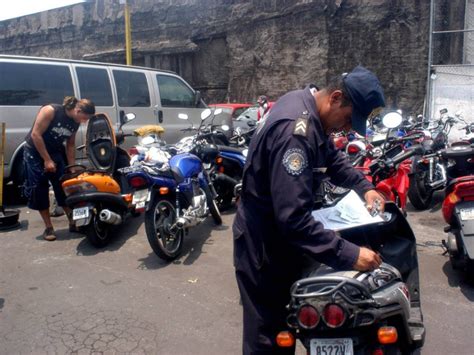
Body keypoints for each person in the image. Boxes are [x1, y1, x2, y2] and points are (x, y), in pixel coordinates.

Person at [233, 66, 386, 354]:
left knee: (285, 328)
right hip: (264, 251)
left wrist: (364, 187)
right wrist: (351, 255)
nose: (348, 129)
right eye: (349, 120)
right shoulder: (296, 133)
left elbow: (331, 156)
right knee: (269, 339)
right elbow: (293, 220)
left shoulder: (307, 107)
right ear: (336, 98)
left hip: (278, 242)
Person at [23, 96, 95, 241]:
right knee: (39, 188)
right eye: (84, 118)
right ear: (77, 110)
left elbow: (70, 145)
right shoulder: (51, 111)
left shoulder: (75, 122)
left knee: (64, 186)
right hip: (35, 153)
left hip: (55, 152)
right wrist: (47, 160)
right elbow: (36, 135)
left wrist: (71, 168)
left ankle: (73, 222)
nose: (84, 122)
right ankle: (48, 227)